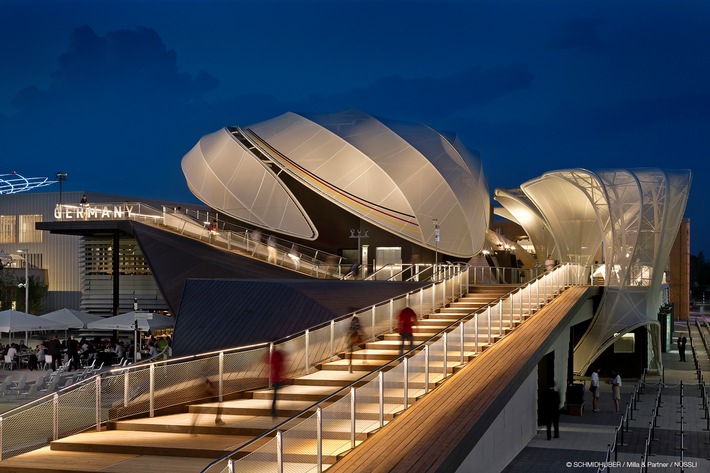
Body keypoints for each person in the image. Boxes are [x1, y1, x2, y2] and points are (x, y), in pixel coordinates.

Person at [267, 347, 285, 420]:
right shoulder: (278, 354)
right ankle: (273, 410)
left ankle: (273, 410)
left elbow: (267, 364)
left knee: (275, 394)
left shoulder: (271, 355)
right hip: (277, 377)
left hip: (273, 377)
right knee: (275, 395)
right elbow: (282, 365)